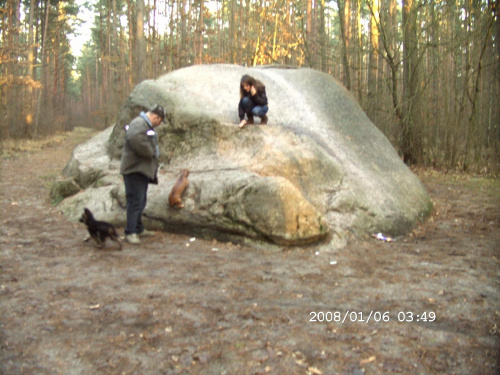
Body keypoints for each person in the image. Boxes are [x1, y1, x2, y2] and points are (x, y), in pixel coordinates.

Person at [120, 104, 166, 244]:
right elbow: (135, 139)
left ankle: (138, 228)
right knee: (135, 202)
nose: (159, 124)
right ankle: (131, 232)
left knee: (141, 200)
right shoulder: (139, 124)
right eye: (160, 121)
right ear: (155, 117)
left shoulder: (144, 125)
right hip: (135, 170)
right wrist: (151, 151)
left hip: (141, 170)